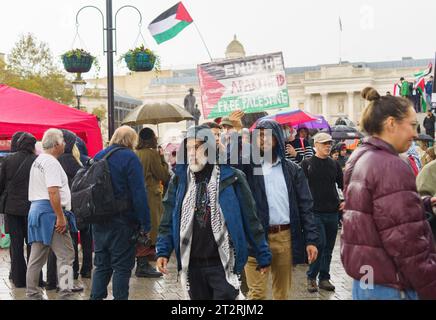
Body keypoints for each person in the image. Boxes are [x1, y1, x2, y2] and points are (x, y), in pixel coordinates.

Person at [156, 125, 271, 300]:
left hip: (222, 263)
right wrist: (163, 251)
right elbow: (168, 217)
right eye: (188, 148)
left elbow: (251, 218)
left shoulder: (232, 177)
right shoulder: (179, 180)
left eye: (197, 147)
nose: (192, 153)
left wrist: (262, 253)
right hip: (192, 265)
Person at [341, 87, 436, 300]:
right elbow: (406, 242)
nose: (415, 133)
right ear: (391, 123)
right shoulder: (391, 165)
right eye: (411, 125)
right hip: (392, 283)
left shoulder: (360, 156)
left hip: (367, 277)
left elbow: (376, 215)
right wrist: (430, 286)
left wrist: (423, 205)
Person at [242, 119, 319, 300]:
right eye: (258, 136)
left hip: (284, 237)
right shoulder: (250, 169)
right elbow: (228, 166)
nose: (262, 140)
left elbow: (306, 205)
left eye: (267, 135)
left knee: (282, 294)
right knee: (257, 294)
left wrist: (311, 239)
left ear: (277, 138)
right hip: (256, 238)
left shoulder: (292, 170)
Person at [90, 126, 151, 300]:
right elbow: (139, 193)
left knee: (101, 265)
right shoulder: (130, 158)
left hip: (99, 220)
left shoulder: (99, 156)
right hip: (123, 221)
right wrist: (145, 223)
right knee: (122, 267)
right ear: (132, 140)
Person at [26, 129, 79, 300]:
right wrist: (60, 217)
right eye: (63, 142)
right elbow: (53, 192)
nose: (65, 145)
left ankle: (32, 293)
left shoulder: (39, 160)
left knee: (37, 256)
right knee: (66, 255)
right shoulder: (51, 163)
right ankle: (65, 293)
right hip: (50, 212)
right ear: (56, 145)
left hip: (38, 210)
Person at [301, 133, 344, 293]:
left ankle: (324, 277)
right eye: (324, 143)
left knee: (329, 247)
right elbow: (301, 188)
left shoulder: (334, 164)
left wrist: (344, 201)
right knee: (320, 244)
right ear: (316, 145)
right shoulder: (307, 164)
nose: (328, 146)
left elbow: (342, 184)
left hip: (332, 211)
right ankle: (311, 276)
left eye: (329, 143)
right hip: (315, 212)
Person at [46, 130, 84, 289]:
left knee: (48, 251)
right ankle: (67, 284)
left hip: (49, 210)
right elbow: (55, 191)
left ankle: (49, 282)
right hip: (64, 210)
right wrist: (61, 216)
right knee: (68, 251)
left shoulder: (48, 160)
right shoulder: (68, 162)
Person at [0, 132, 39, 288]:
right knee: (33, 245)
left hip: (12, 208)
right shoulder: (37, 161)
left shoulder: (8, 160)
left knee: (15, 245)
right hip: (32, 208)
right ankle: (34, 278)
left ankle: (18, 279)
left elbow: (1, 183)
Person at [134, 128, 170, 278]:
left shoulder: (136, 153)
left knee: (142, 228)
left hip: (138, 196)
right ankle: (143, 265)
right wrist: (162, 159)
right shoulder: (152, 154)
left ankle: (143, 260)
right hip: (151, 196)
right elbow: (163, 175)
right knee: (151, 228)